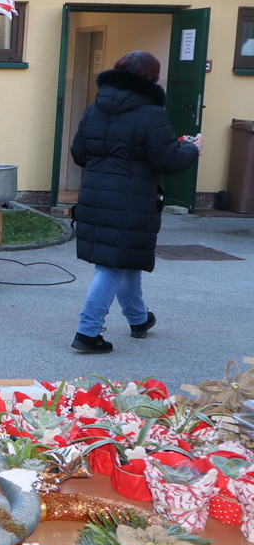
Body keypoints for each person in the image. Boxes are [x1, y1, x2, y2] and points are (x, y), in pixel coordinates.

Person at [70, 50, 201, 353]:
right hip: (131, 200)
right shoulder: (152, 114)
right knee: (111, 266)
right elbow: (168, 161)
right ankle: (87, 332)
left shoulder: (95, 108)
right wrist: (192, 149)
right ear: (152, 78)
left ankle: (138, 319)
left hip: (94, 195)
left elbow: (79, 154)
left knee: (124, 259)